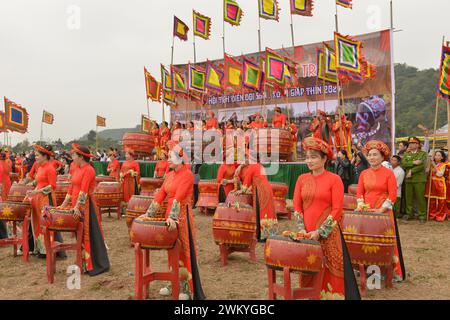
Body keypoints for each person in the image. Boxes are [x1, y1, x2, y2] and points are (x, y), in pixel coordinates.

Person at [293, 137, 360, 300]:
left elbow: (337, 209)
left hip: (328, 234)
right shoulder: (302, 179)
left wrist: (321, 231)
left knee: (330, 270)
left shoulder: (334, 179)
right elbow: (297, 206)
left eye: (314, 157)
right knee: (309, 267)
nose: (309, 160)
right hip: (307, 233)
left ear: (324, 159)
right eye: (307, 157)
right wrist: (302, 228)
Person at [146, 141, 205, 300]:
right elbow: (160, 195)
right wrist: (148, 214)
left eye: (171, 157)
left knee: (184, 250)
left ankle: (186, 287)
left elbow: (178, 197)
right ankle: (173, 283)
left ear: (180, 158)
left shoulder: (187, 175)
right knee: (172, 250)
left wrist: (173, 217)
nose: (168, 160)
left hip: (181, 217)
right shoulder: (170, 175)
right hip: (170, 217)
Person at [356, 140, 405, 282]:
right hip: (367, 212)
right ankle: (368, 269)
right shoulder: (364, 173)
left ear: (382, 157)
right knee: (367, 241)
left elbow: (393, 194)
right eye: (369, 155)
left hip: (383, 212)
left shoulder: (388, 174)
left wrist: (381, 210)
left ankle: (391, 271)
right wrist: (361, 205)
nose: (371, 157)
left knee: (385, 241)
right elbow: (360, 193)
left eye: (375, 155)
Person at [60, 144, 110, 276]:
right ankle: (83, 263)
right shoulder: (76, 168)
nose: (72, 157)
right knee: (79, 235)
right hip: (76, 206)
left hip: (86, 206)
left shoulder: (89, 170)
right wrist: (64, 205)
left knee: (88, 234)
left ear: (81, 157)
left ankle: (94, 265)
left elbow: (84, 191)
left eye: (74, 155)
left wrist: (77, 206)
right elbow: (71, 189)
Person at [26, 144, 64, 257]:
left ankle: (47, 249)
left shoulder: (50, 168)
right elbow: (39, 180)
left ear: (44, 156)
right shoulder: (40, 167)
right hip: (38, 198)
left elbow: (52, 186)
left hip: (47, 199)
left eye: (37, 155)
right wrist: (31, 184)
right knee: (37, 223)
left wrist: (36, 192)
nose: (35, 157)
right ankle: (40, 249)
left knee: (46, 223)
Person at [236, 151, 278, 241]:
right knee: (268, 211)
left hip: (260, 190)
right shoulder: (260, 166)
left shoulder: (252, 167)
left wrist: (242, 190)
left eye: (247, 157)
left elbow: (246, 182)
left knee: (260, 211)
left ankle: (260, 236)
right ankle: (269, 234)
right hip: (267, 189)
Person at [401, 137, 428, 222]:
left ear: (417, 144)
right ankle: (409, 214)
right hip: (409, 180)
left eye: (413, 143)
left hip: (419, 179)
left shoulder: (422, 154)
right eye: (410, 143)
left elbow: (422, 166)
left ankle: (422, 215)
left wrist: (411, 171)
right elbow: (403, 164)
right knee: (409, 198)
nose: (411, 144)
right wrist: (413, 162)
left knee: (420, 198)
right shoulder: (406, 153)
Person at [425, 150, 447, 222]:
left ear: (442, 157)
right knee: (432, 200)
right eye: (436, 155)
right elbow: (427, 172)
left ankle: (440, 215)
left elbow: (439, 174)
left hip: (439, 184)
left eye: (438, 155)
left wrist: (434, 164)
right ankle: (432, 214)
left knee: (441, 201)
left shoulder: (443, 165)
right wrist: (430, 163)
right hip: (431, 183)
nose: (436, 157)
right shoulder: (430, 164)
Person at [120, 149, 141, 214]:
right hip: (125, 181)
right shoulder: (124, 162)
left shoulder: (135, 163)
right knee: (125, 194)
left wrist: (132, 172)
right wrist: (121, 174)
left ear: (131, 155)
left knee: (131, 194)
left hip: (131, 181)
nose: (126, 156)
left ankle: (131, 210)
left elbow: (138, 173)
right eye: (126, 154)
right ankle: (124, 211)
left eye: (127, 154)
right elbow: (121, 170)